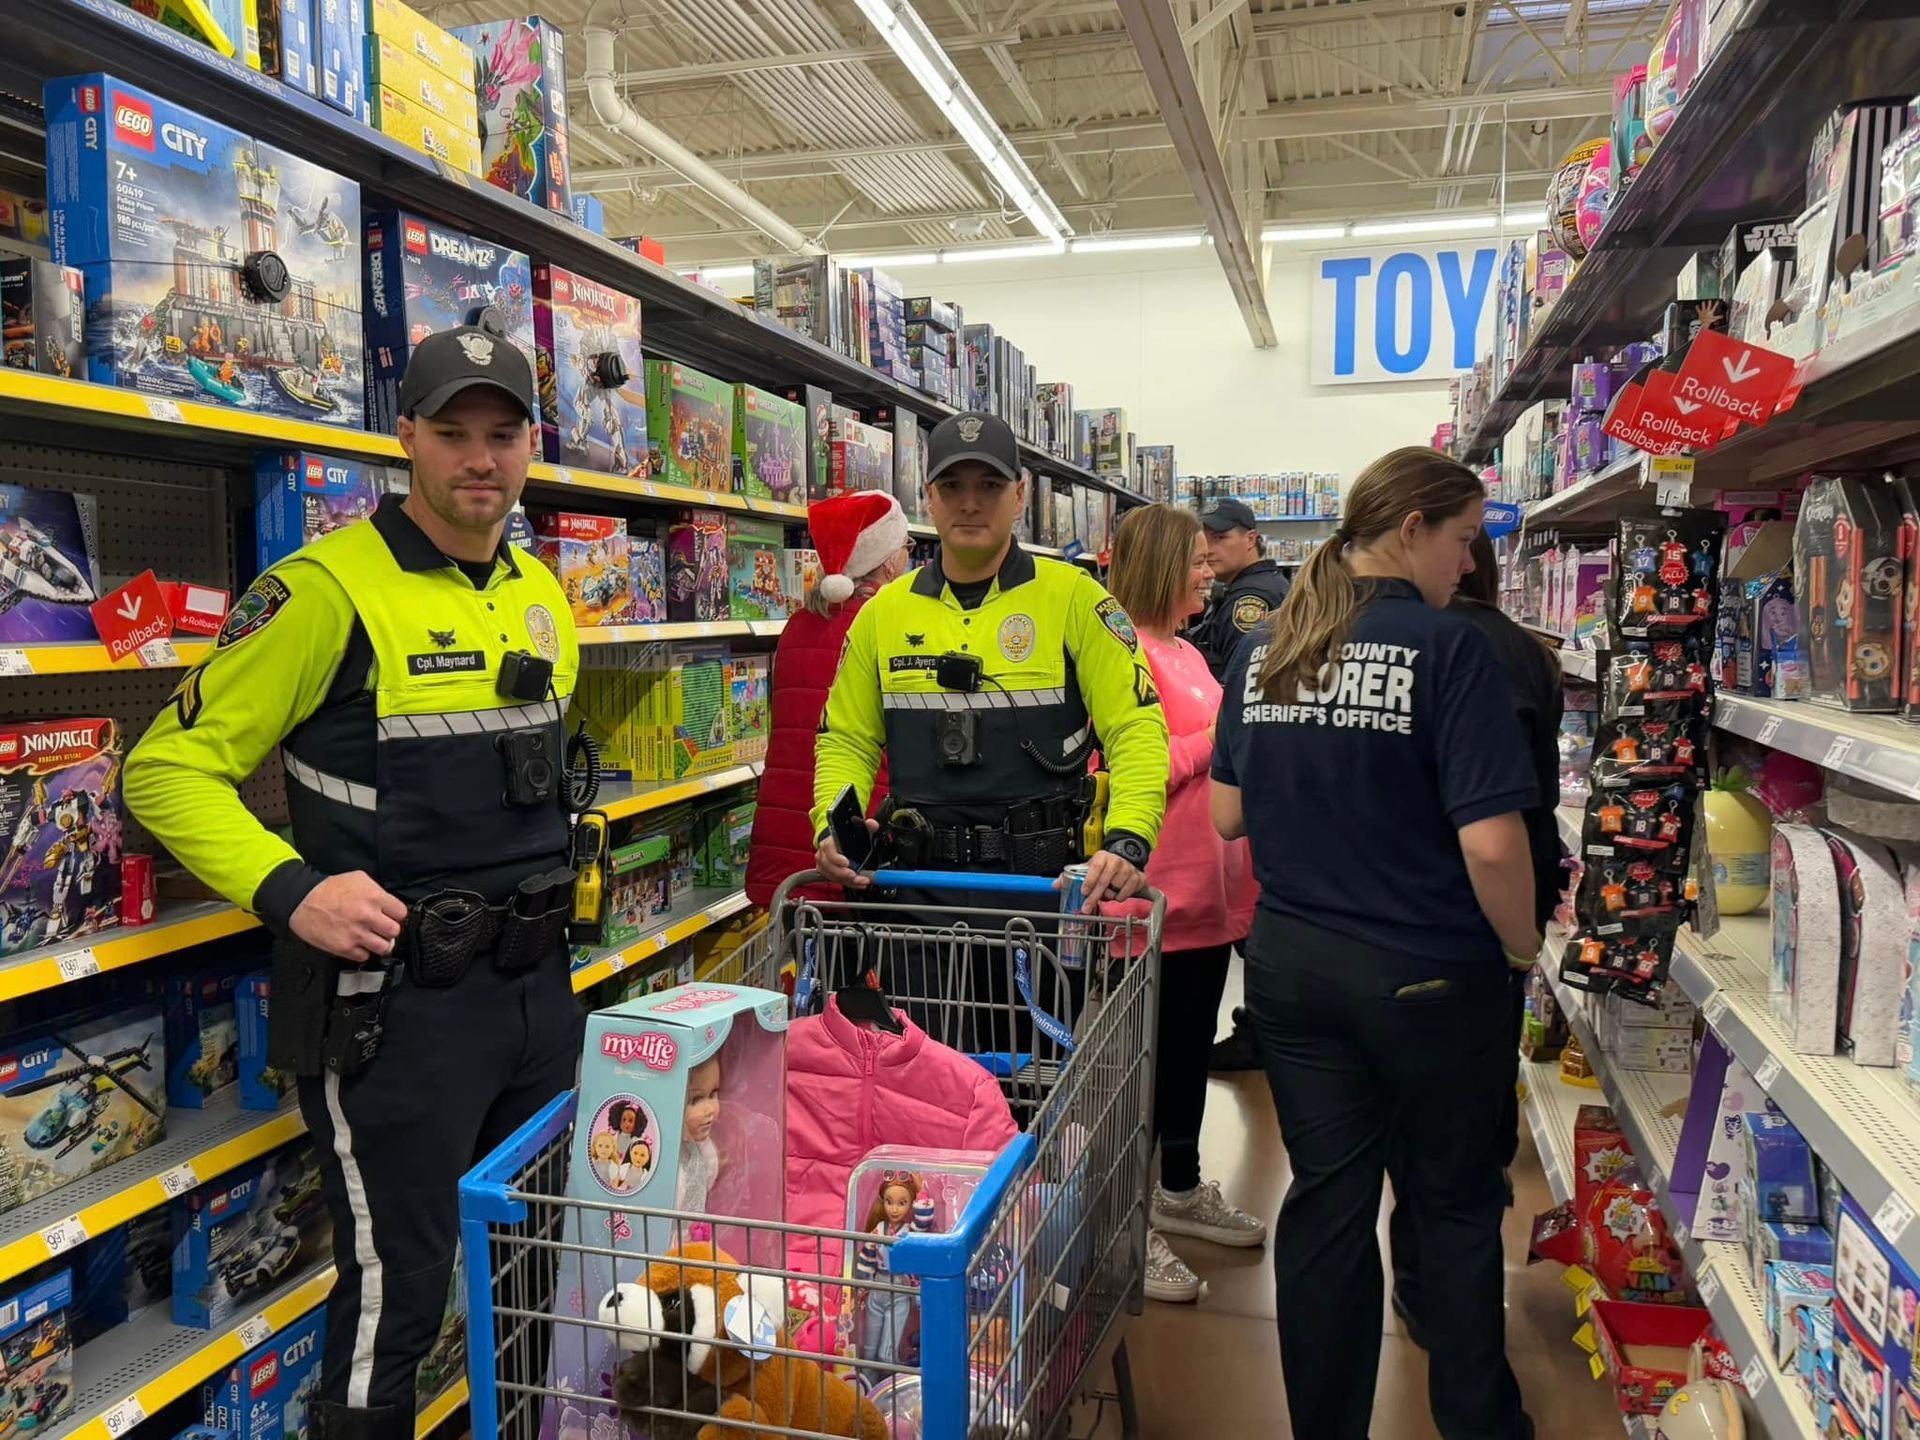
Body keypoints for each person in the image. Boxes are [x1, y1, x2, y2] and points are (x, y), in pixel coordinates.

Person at [124, 325, 582, 1440]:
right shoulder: (322, 589)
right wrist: (293, 890)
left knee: (541, 1268)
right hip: (397, 1017)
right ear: (406, 439)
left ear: (531, 447)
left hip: (537, 1000)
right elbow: (163, 771)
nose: (481, 459)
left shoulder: (541, 593)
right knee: (400, 1294)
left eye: (503, 435)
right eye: (453, 433)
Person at [1211, 447, 1540, 1440]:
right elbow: (1491, 843)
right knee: (1450, 1205)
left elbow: (1229, 815)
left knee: (1328, 1207)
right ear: (1410, 531)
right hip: (1431, 974)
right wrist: (1521, 948)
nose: (1467, 564)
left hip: (1295, 973)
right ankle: (1479, 1424)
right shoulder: (1452, 651)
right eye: (1463, 539)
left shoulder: (1266, 647)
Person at [811, 410, 1169, 981]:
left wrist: (1127, 839)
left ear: (1021, 495)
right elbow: (846, 740)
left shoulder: (1076, 600)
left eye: (990, 485)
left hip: (1044, 899)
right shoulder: (883, 615)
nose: (970, 503)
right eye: (952, 486)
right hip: (916, 902)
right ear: (928, 497)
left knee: (1041, 1071)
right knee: (920, 1068)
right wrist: (833, 827)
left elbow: (1137, 727)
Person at [1388, 529, 1566, 1344]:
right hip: (1485, 921)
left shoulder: (1386, 647)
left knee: (1403, 1132)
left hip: (1400, 920)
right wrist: (1524, 939)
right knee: (1469, 1142)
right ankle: (1458, 1321)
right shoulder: (1520, 651)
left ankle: (1415, 1286)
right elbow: (1517, 820)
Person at [1106, 504, 1262, 1306]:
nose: (1209, 571)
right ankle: (1129, 1225)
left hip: (1208, 900)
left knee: (1188, 1050)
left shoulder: (1185, 650)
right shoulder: (1119, 651)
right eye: (1196, 561)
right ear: (1161, 563)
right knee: (1144, 1064)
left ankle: (1180, 1185)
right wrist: (1221, 741)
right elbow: (1131, 763)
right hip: (1150, 905)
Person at [744, 491, 912, 909]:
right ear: (889, 561)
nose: (910, 558)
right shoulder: (889, 627)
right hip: (858, 839)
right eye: (906, 548)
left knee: (808, 964)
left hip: (786, 840)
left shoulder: (798, 626)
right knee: (867, 965)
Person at [1187, 497, 1290, 1073]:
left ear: (1249, 538)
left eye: (1220, 540)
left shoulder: (1253, 600)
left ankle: (1261, 1031)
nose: (1212, 552)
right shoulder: (1251, 591)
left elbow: (1235, 687)